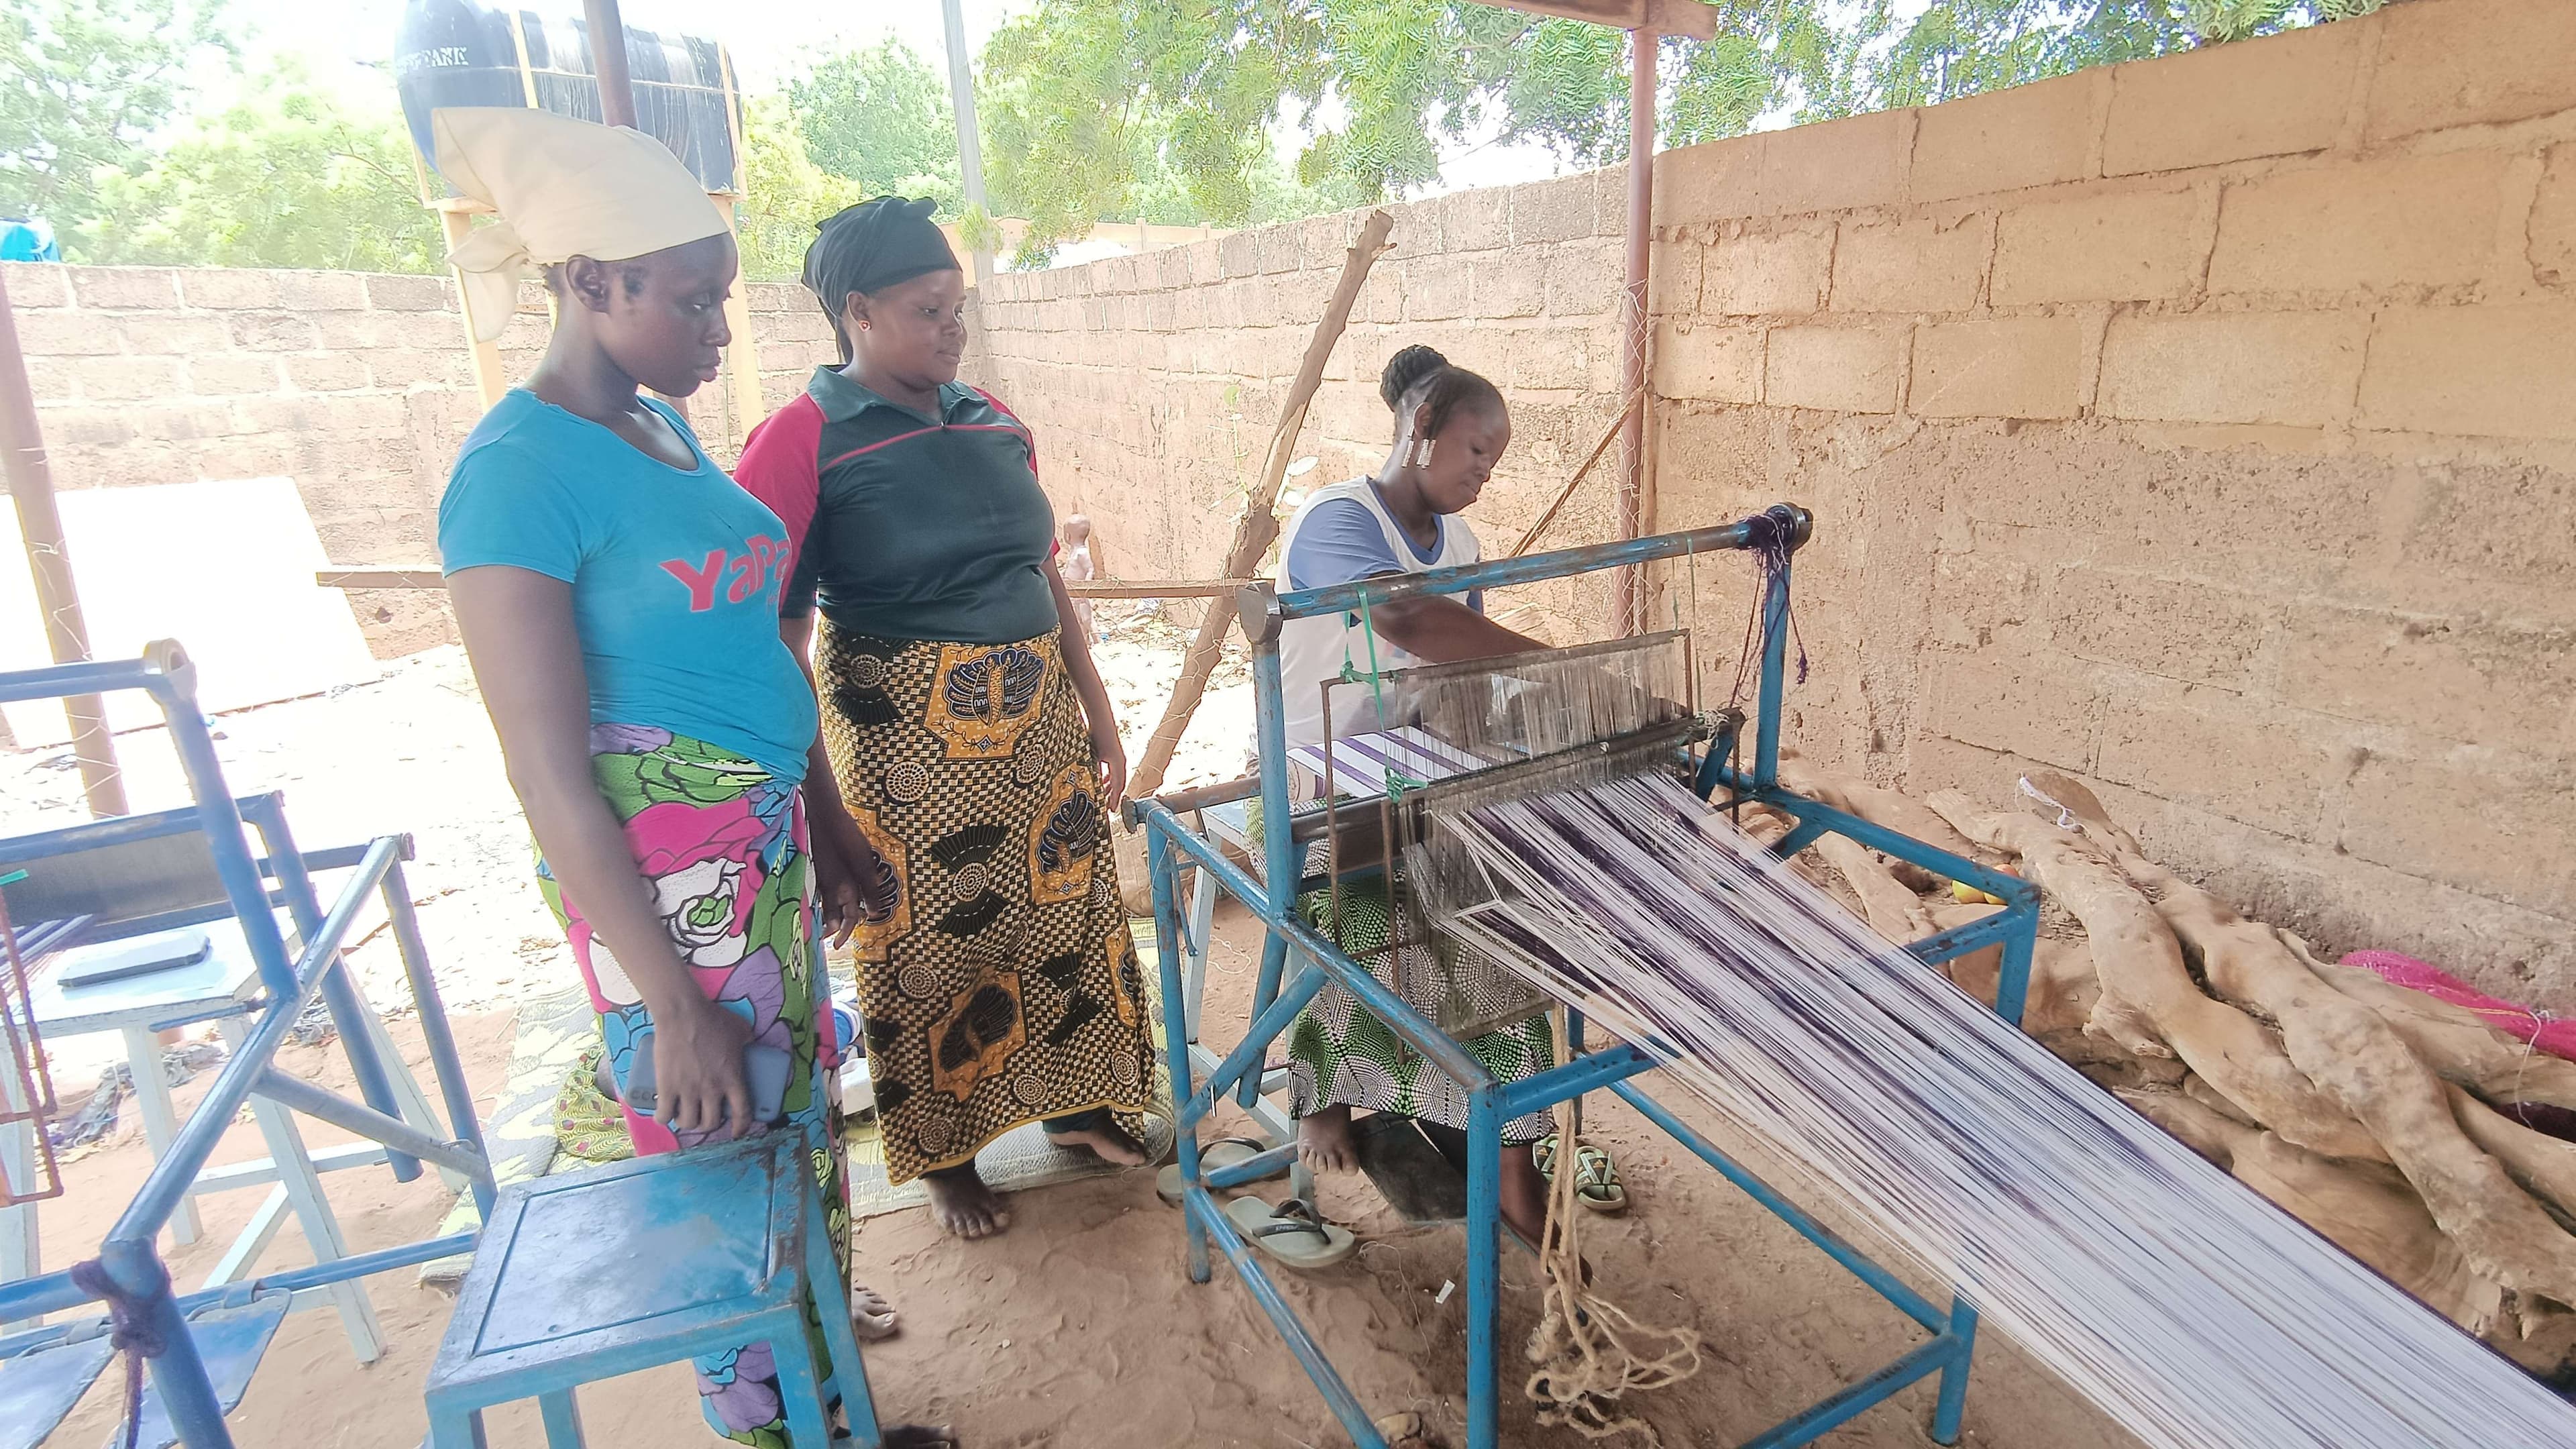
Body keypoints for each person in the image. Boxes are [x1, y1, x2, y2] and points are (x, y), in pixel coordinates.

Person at [430, 109, 950, 1449]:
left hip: (755, 855)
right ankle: (779, 1429)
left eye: (722, 297)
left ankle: (828, 1383)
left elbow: (742, 651)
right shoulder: (514, 478)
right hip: (672, 897)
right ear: (592, 283)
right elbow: (548, 775)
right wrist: (670, 1002)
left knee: (789, 1134)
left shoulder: (657, 427)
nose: (722, 328)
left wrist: (821, 818)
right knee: (721, 1166)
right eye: (695, 300)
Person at [733, 197, 1158, 1242]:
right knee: (925, 942)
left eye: (958, 307)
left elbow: (1043, 574)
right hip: (903, 748)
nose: (952, 328)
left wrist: (1099, 716)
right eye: (929, 310)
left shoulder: (993, 419)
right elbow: (776, 637)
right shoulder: (803, 439)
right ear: (858, 310)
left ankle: (1075, 1105)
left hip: (1038, 727)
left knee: (1064, 915)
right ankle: (948, 1153)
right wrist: (819, 801)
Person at [1273, 344, 1620, 1248]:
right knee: (1359, 902)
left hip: (1414, 766)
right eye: (1476, 450)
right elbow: (1410, 620)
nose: (1483, 474)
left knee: (1490, 923)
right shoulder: (1333, 520)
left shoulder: (1456, 543)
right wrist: (1567, 671)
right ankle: (1328, 1096)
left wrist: (1540, 709)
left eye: (1495, 461)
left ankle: (1503, 1151)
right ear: (1421, 430)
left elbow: (1458, 661)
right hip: (1326, 773)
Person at [1058, 515, 1097, 644]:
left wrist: (1085, 587)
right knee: (1078, 619)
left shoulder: (1082, 553)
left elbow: (1090, 569)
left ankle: (1097, 640)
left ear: (1068, 535)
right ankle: (1085, 642)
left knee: (1087, 619)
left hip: (1081, 593)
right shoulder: (1073, 552)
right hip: (1073, 593)